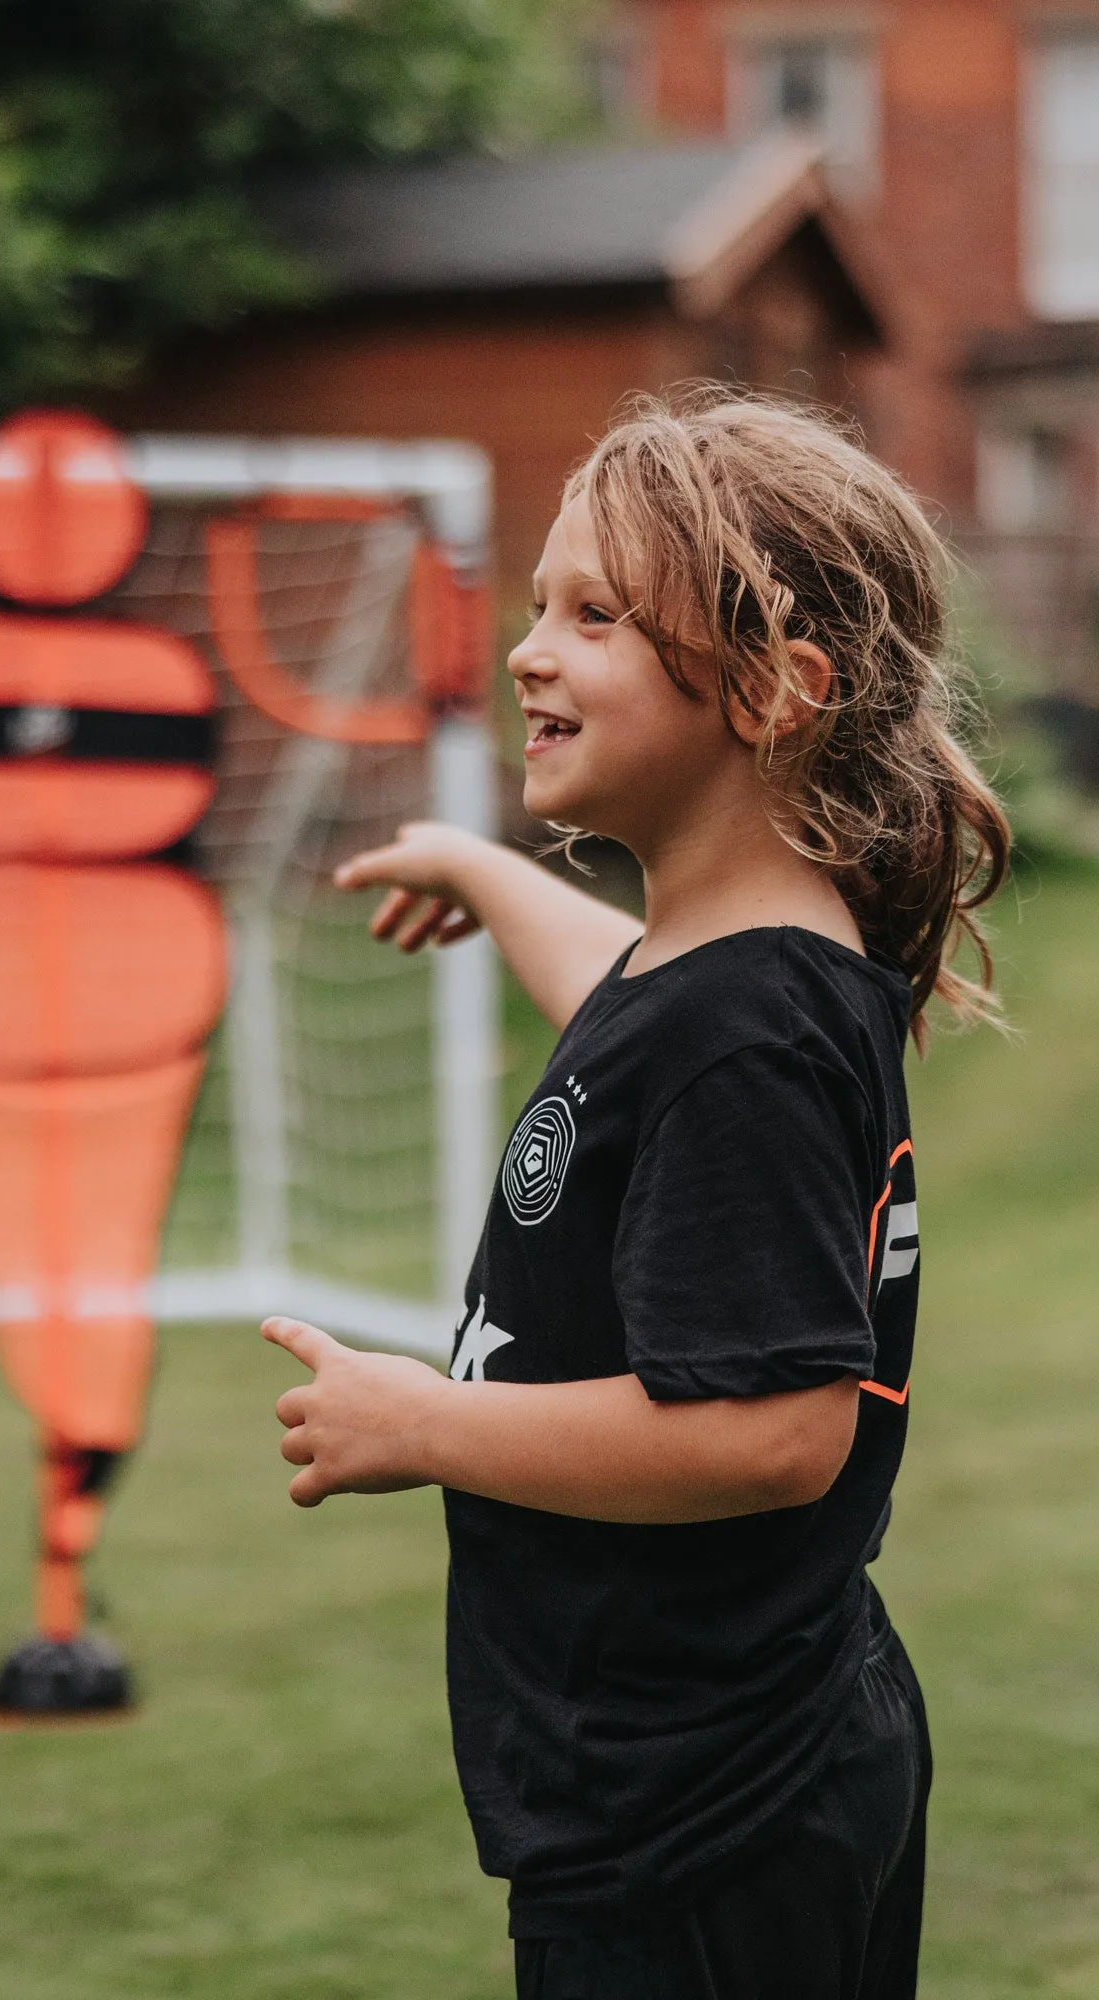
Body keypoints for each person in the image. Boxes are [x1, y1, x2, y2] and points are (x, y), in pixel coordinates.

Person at [264, 390, 1010, 1999]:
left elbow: (771, 1433)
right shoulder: (739, 973)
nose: (532, 651)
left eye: (594, 615)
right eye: (540, 607)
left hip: (697, 1809)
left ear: (773, 690)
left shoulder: (744, 1028)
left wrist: (425, 1425)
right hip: (756, 1758)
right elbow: (623, 994)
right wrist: (482, 874)